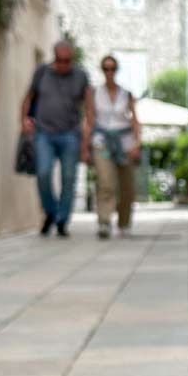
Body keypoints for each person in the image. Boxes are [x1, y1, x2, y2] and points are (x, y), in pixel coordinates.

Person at [21, 40, 93, 237]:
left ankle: (62, 220)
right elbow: (28, 98)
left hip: (71, 133)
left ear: (72, 58)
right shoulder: (42, 72)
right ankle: (50, 212)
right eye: (59, 60)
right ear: (54, 57)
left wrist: (86, 139)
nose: (63, 64)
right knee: (43, 174)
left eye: (67, 60)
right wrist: (25, 120)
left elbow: (88, 107)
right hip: (44, 132)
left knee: (68, 178)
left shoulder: (81, 76)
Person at [85, 55, 141, 239]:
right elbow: (90, 121)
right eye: (106, 68)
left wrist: (137, 144)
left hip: (125, 142)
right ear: (102, 70)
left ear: (117, 70)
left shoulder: (126, 93)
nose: (109, 72)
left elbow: (135, 120)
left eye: (112, 68)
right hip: (102, 142)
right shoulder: (94, 93)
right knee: (105, 182)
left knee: (127, 187)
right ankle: (104, 221)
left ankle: (124, 223)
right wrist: (84, 147)